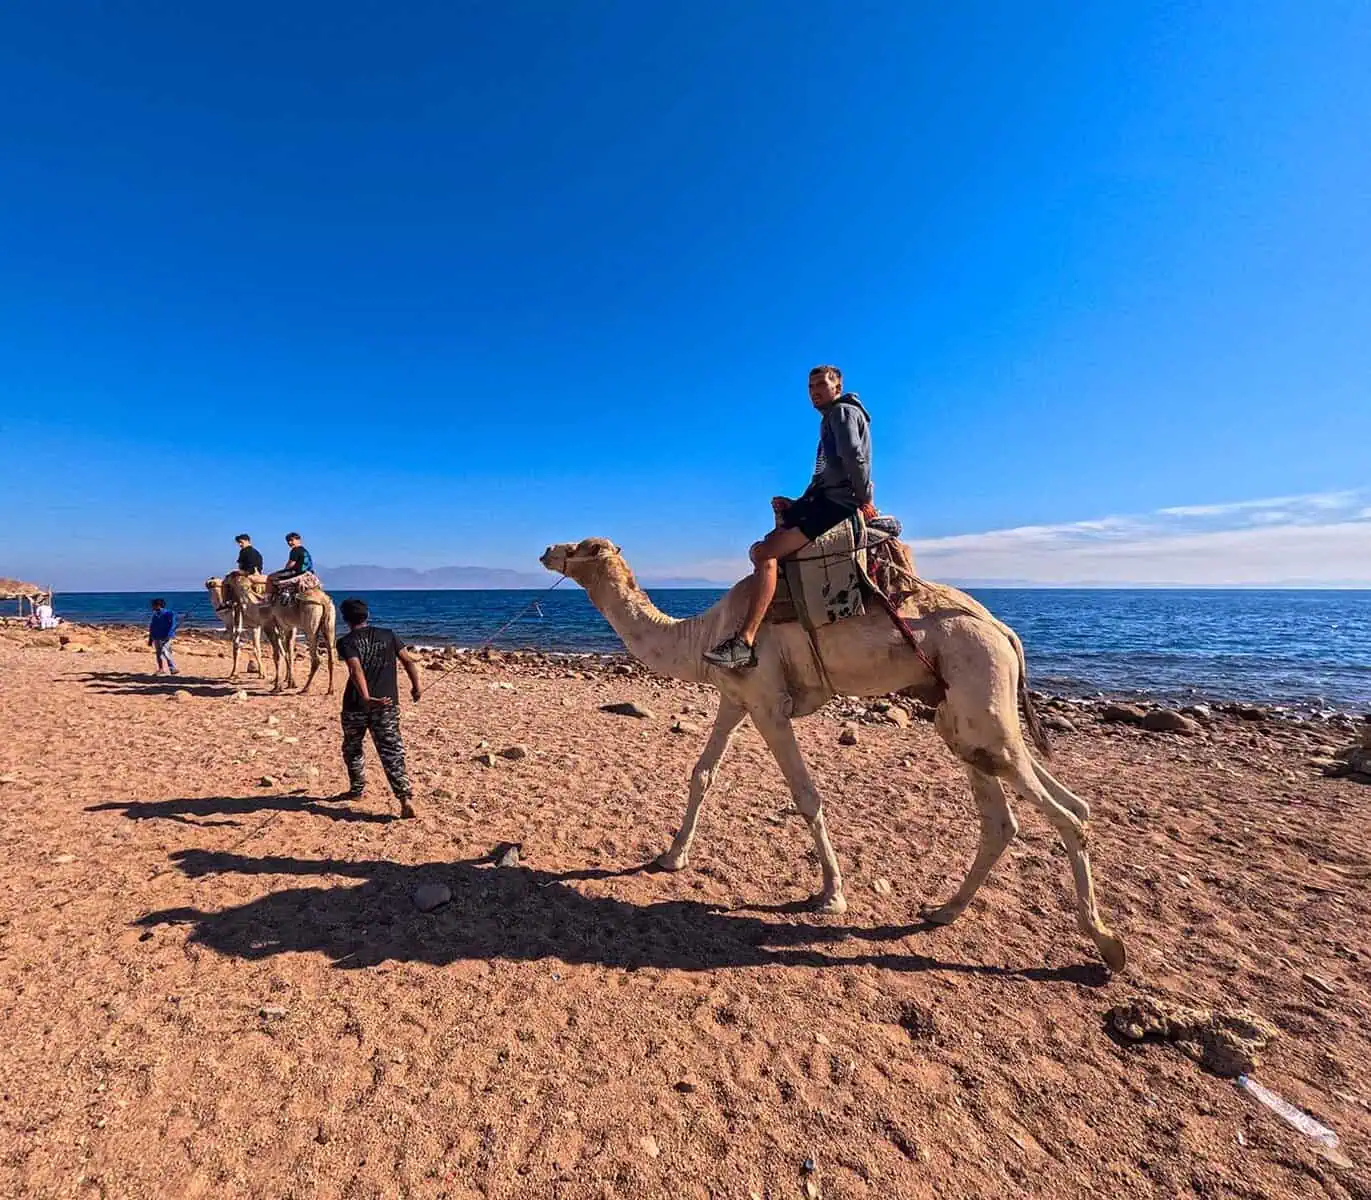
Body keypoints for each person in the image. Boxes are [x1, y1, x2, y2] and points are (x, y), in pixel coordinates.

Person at [704, 364, 875, 669]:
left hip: (837, 504)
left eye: (821, 385)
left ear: (837, 387)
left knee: (766, 554)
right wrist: (797, 503)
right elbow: (830, 471)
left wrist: (864, 499)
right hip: (826, 499)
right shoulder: (833, 417)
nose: (815, 392)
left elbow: (854, 456)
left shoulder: (842, 413)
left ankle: (745, 642)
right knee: (770, 538)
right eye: (811, 387)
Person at [335, 597, 421, 818]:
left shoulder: (345, 642)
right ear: (367, 616)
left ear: (345, 619)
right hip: (387, 705)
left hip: (355, 705)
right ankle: (405, 798)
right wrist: (416, 687)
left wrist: (365, 697)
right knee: (391, 751)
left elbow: (355, 671)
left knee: (353, 748)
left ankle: (356, 790)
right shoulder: (388, 634)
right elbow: (409, 661)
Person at [267, 531, 314, 602]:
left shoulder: (295, 550)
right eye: (288, 541)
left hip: (297, 573)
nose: (289, 542)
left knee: (270, 577)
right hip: (308, 573)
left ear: (299, 540)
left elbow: (290, 564)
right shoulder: (304, 551)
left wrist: (284, 569)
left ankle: (269, 599)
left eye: (292, 540)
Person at [147, 598, 179, 675]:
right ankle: (161, 669)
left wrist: (169, 635)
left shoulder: (169, 613)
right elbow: (152, 626)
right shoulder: (155, 615)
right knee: (158, 653)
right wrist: (150, 638)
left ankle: (172, 668)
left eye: (153, 605)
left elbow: (173, 625)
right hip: (156, 636)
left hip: (165, 636)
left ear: (158, 605)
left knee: (165, 651)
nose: (152, 607)